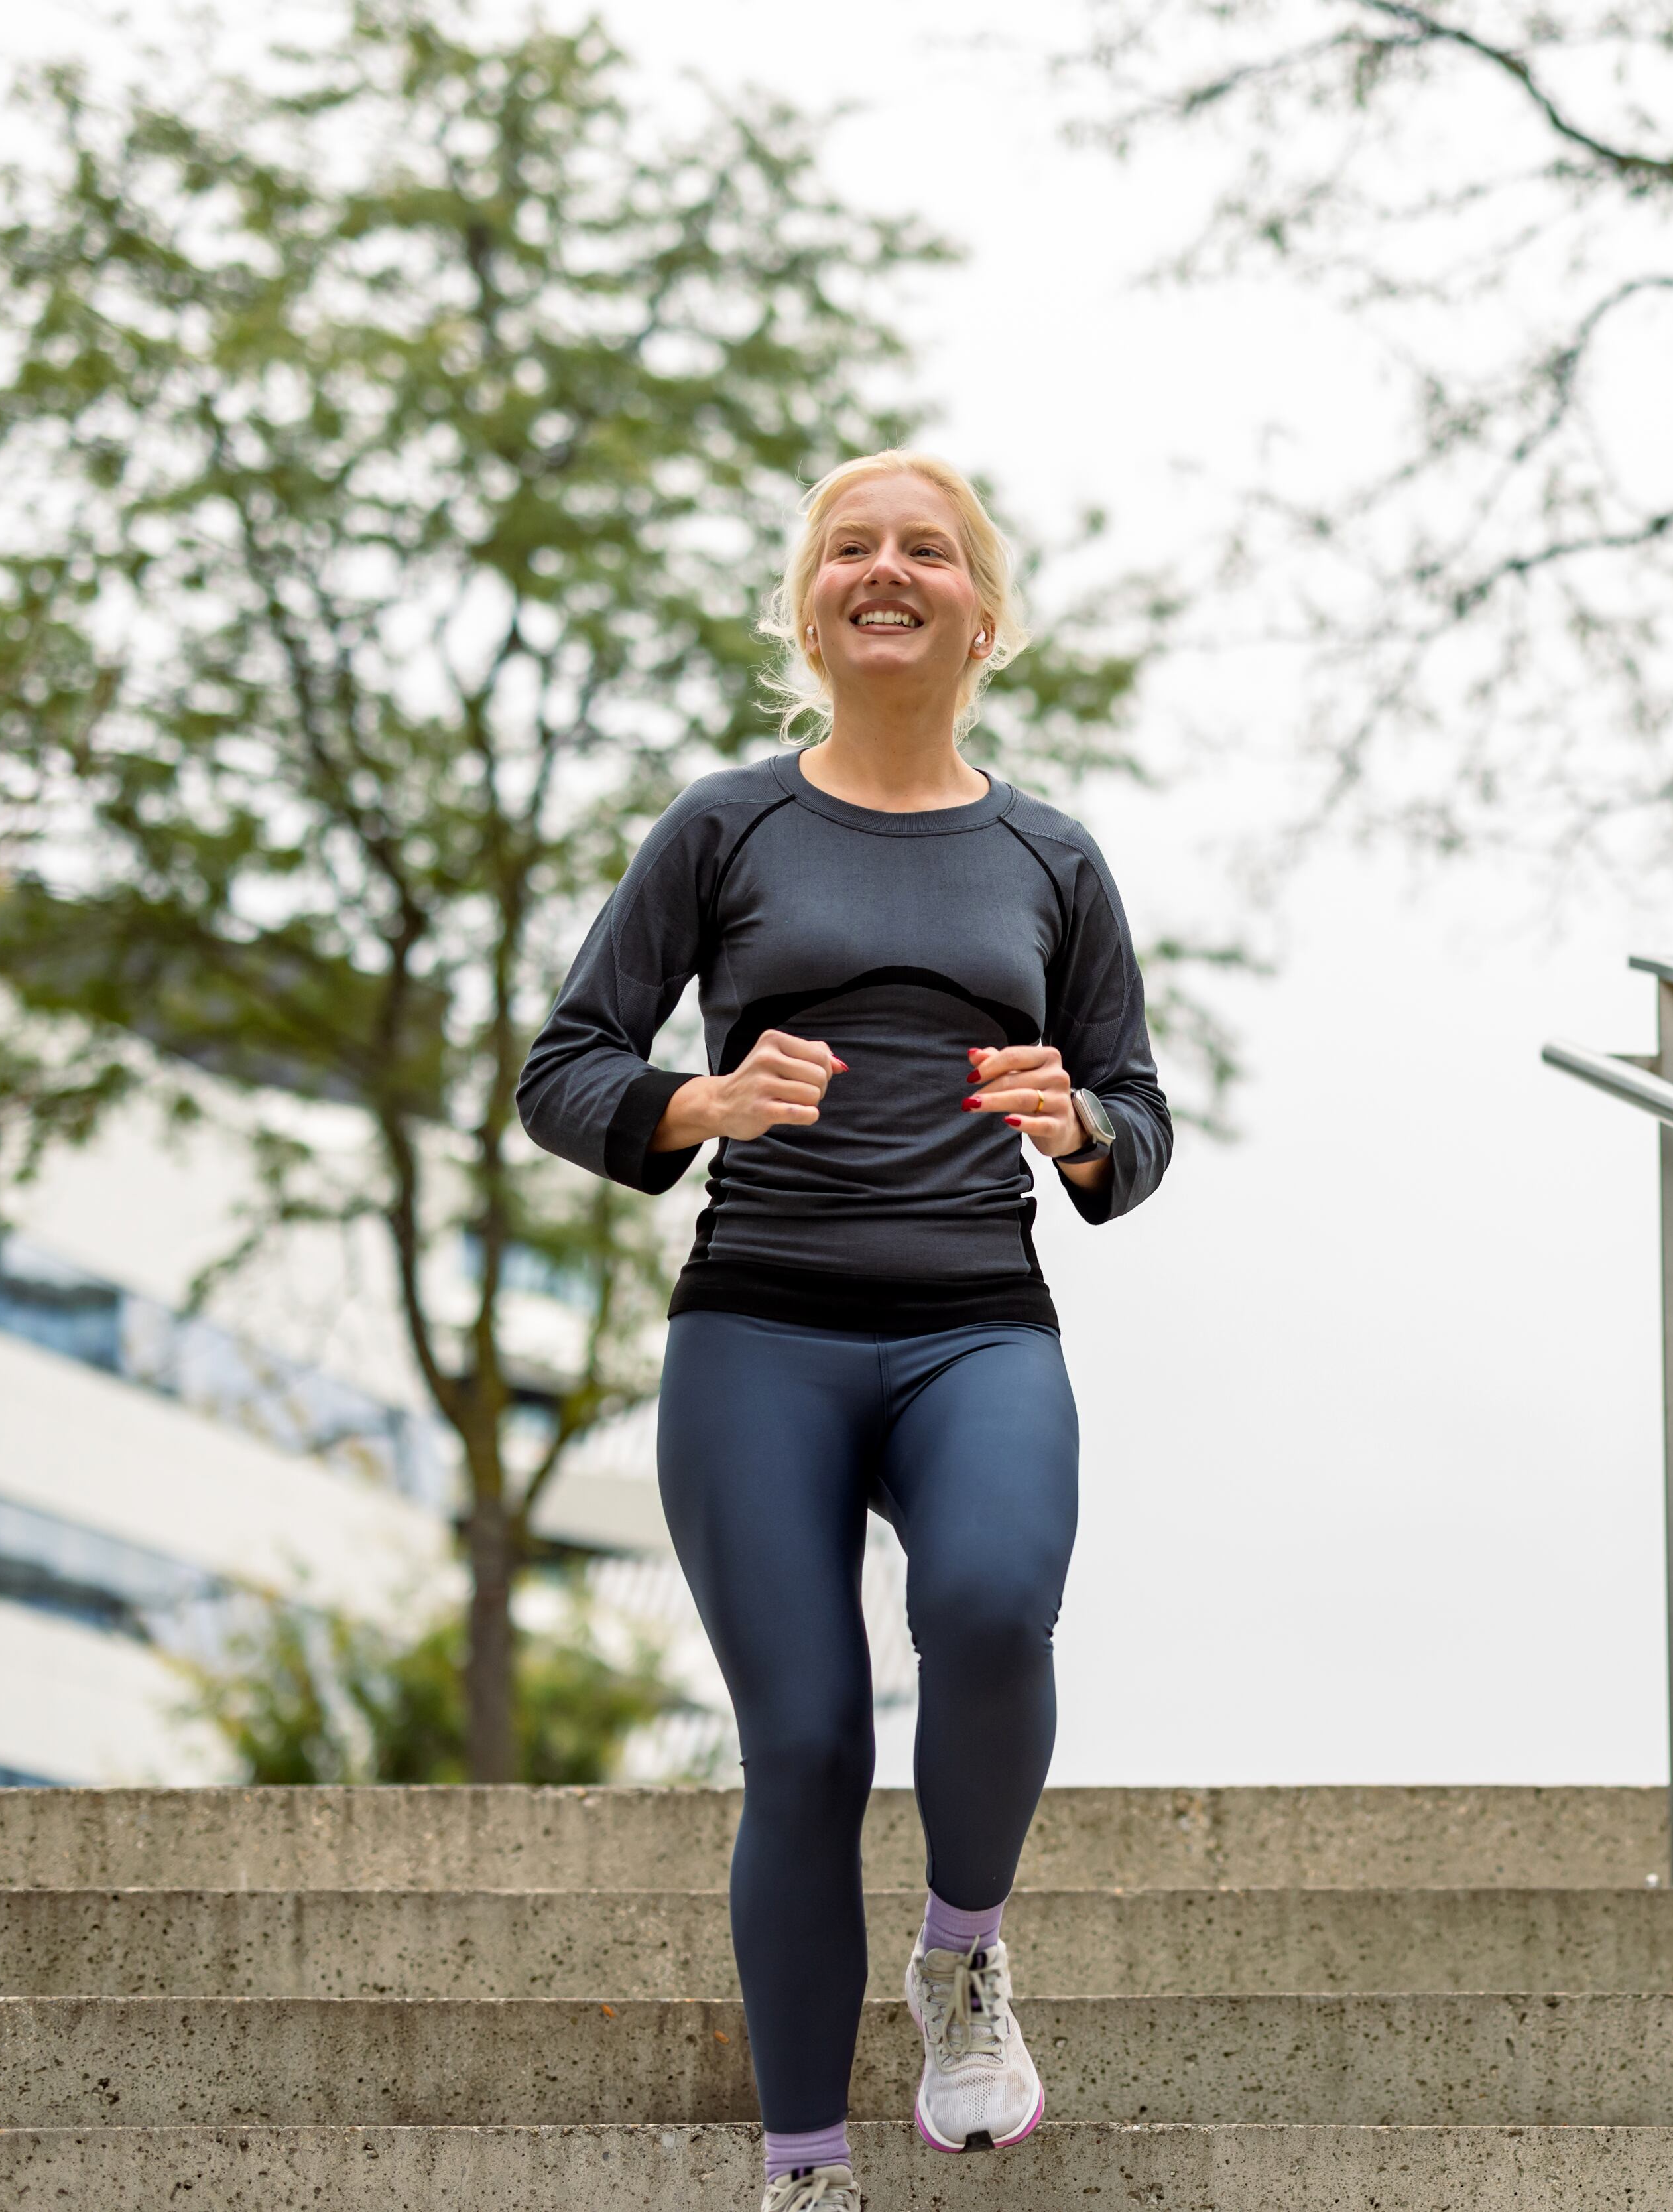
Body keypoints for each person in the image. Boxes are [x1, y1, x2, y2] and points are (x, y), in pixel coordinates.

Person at [519, 450, 1172, 2211]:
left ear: (982, 614)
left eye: (929, 550)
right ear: (807, 608)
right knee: (802, 1739)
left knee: (985, 1603)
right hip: (761, 1336)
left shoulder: (1050, 855)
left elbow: (1137, 1112)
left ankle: (964, 1953)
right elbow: (562, 1071)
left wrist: (1086, 1125)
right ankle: (804, 2168)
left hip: (976, 1326)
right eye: (849, 548)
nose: (888, 570)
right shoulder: (724, 827)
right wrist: (703, 1101)